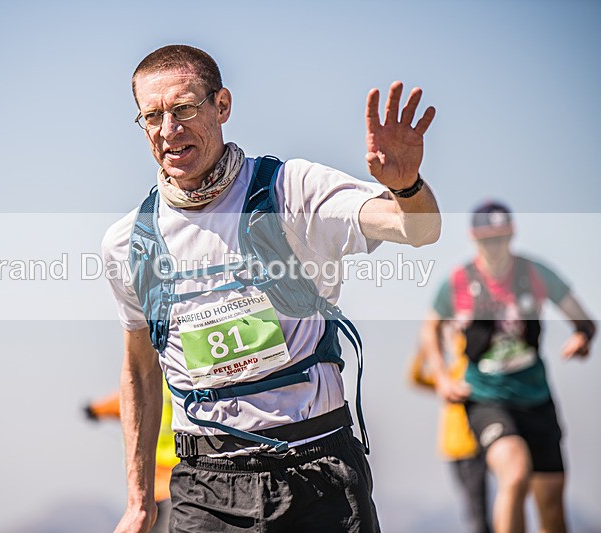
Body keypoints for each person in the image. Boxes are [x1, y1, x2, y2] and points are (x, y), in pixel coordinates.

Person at [102, 44, 441, 533]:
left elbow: (418, 230)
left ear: (222, 106)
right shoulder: (128, 243)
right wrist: (138, 501)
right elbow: (138, 369)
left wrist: (407, 188)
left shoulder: (291, 189)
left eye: (184, 109)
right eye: (151, 116)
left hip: (317, 473)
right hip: (205, 488)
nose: (168, 130)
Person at [420, 201, 595, 533]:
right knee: (514, 474)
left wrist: (583, 339)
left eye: (501, 238)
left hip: (536, 398)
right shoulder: (458, 281)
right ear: (474, 239)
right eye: (488, 240)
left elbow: (584, 322)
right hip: (487, 399)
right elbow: (428, 327)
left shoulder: (534, 273)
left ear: (511, 235)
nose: (495, 247)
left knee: (552, 506)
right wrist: (442, 378)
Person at [409, 339, 491, 533]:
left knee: (477, 510)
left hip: (471, 449)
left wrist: (455, 339)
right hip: (452, 450)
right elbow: (416, 378)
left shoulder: (469, 372)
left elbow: (467, 350)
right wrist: (425, 349)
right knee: (471, 509)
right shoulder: (449, 374)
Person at [84, 378, 179, 533]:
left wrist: (95, 410)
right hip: (174, 480)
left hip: (148, 483)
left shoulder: (144, 383)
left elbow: (124, 402)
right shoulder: (177, 383)